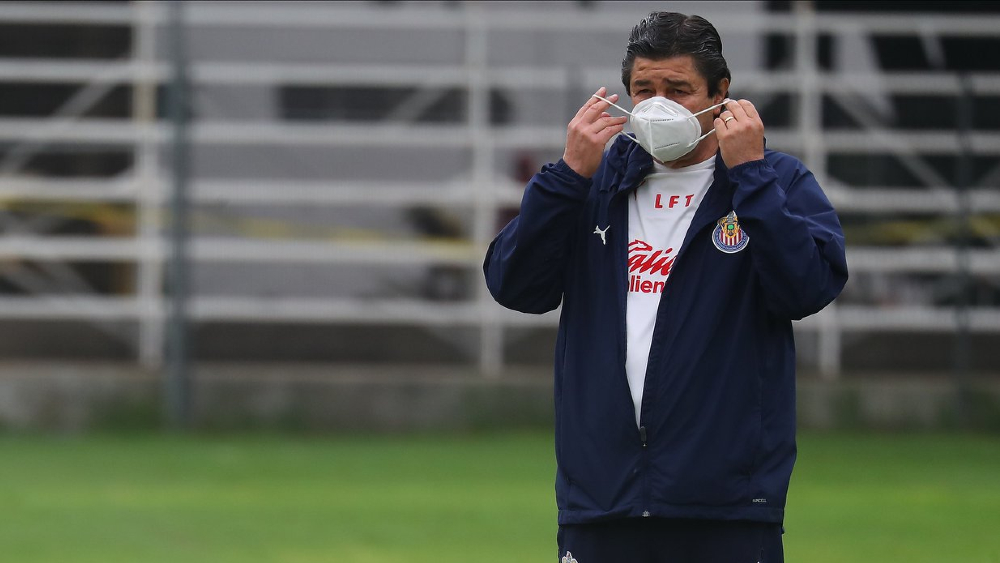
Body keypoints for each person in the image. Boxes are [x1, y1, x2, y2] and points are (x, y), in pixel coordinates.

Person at [483, 11, 848, 563]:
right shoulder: (592, 183)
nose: (659, 106)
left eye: (678, 90)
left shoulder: (776, 180)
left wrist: (750, 176)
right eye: (644, 90)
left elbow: (808, 288)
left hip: (725, 505)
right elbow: (514, 286)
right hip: (603, 500)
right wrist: (567, 177)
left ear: (720, 93)